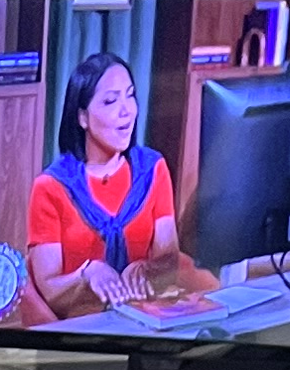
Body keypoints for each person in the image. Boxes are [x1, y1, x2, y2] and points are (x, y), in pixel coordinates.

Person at [25, 50, 216, 321]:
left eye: (130, 95)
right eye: (111, 101)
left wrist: (145, 269)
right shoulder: (51, 187)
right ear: (82, 118)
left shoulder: (152, 169)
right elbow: (48, 292)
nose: (127, 110)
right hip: (80, 325)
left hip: (145, 316)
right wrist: (87, 275)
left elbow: (169, 260)